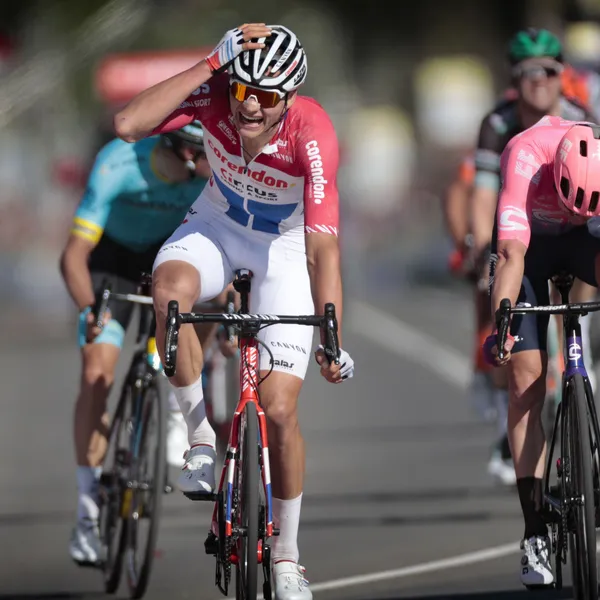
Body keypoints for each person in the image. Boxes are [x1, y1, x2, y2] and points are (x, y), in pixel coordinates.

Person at [113, 23, 355, 600]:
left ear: (289, 98)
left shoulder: (312, 132)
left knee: (280, 409)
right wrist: (208, 66)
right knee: (170, 294)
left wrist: (331, 334)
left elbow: (322, 249)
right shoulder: (217, 95)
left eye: (266, 97)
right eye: (242, 90)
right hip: (217, 226)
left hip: (284, 250)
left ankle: (288, 557)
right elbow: (128, 125)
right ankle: (200, 439)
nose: (249, 106)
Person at [60, 121, 214, 566]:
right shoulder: (118, 163)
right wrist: (90, 310)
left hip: (167, 258)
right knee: (97, 375)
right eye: (204, 159)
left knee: (214, 300)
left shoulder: (206, 178)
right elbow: (73, 255)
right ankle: (87, 512)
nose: (212, 168)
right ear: (184, 153)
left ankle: (177, 399)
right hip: (112, 263)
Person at [467, 28, 597, 485]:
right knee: (493, 273)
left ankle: (581, 361)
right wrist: (480, 248)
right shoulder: (499, 125)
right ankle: (493, 373)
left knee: (580, 288)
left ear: (562, 75)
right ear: (514, 79)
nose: (538, 80)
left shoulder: (583, 120)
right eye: (527, 72)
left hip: (577, 227)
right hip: (520, 226)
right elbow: (485, 195)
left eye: (548, 70)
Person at [483, 116, 600, 587]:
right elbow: (511, 256)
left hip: (585, 240)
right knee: (525, 378)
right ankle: (535, 531)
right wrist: (503, 325)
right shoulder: (525, 155)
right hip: (530, 248)